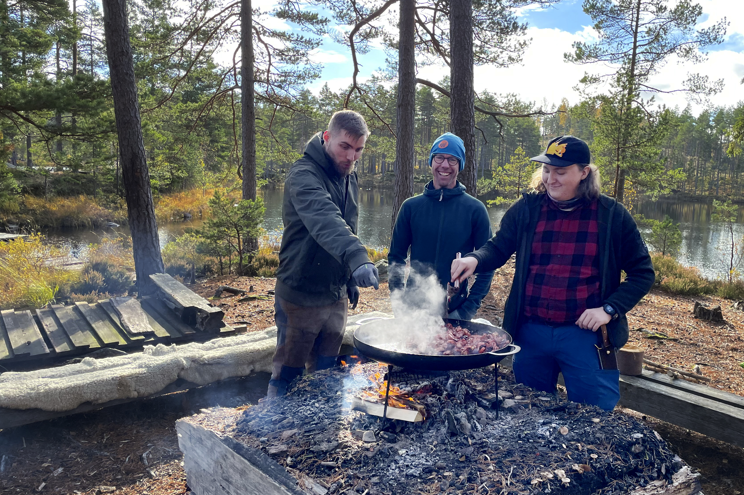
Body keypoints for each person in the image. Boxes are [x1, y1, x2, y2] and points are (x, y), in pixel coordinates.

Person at [450, 135, 654, 410]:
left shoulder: (612, 215)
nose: (550, 179)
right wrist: (475, 259)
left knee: (593, 417)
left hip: (585, 337)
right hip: (531, 332)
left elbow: (642, 273)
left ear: (584, 173)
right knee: (530, 414)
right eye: (546, 170)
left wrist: (608, 309)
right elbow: (498, 247)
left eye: (560, 172)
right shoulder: (528, 209)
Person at [269, 110, 379, 398]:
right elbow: (325, 219)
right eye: (345, 146)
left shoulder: (348, 177)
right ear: (327, 137)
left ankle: (322, 425)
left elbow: (347, 226)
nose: (351, 157)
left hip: (335, 293)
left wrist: (349, 278)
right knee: (288, 372)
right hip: (301, 292)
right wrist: (358, 257)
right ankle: (271, 427)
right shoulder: (303, 174)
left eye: (358, 150)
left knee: (327, 371)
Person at [388, 132, 494, 320]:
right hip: (414, 310)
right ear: (431, 161)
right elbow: (396, 258)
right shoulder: (411, 207)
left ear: (460, 165)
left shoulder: (475, 209)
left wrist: (468, 308)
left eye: (452, 159)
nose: (445, 165)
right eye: (439, 157)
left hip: (455, 310)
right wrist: (399, 303)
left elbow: (488, 263)